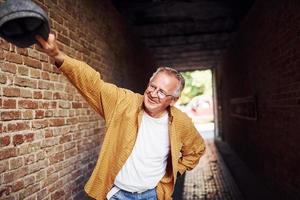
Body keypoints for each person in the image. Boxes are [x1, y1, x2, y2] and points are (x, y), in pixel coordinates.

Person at [36, 34, 206, 200]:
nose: (154, 94)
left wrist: (175, 170)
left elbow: (197, 149)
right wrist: (57, 55)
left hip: (153, 195)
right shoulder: (124, 102)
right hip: (118, 195)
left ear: (173, 100)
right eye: (152, 86)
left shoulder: (180, 122)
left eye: (162, 92)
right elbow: (93, 84)